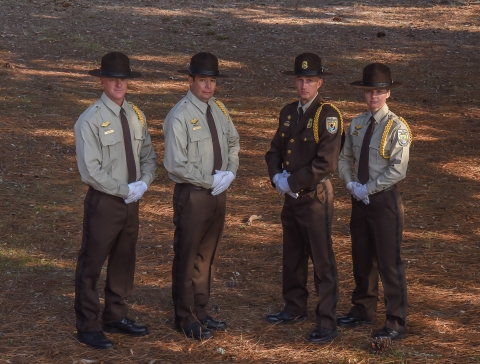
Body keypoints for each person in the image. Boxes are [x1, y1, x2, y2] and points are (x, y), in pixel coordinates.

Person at [73, 52, 157, 349]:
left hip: (132, 199)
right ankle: (88, 324)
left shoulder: (136, 114)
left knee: (124, 260)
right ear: (102, 81)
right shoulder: (90, 120)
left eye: (123, 79)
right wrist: (124, 189)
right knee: (92, 263)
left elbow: (148, 154)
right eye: (113, 79)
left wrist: (144, 183)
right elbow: (91, 171)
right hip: (106, 202)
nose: (119, 84)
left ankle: (116, 315)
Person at [265, 53, 344, 344]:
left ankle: (327, 320)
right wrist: (277, 178)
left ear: (319, 82)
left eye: (310, 80)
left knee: (322, 259)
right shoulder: (288, 112)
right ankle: (294, 307)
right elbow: (274, 150)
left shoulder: (328, 115)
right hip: (290, 195)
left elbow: (327, 163)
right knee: (293, 254)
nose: (304, 86)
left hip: (315, 197)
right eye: (300, 80)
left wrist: (292, 182)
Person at [162, 52, 240, 340]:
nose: (208, 86)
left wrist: (230, 171)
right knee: (186, 254)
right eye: (202, 80)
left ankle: (201, 309)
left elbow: (233, 140)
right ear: (191, 80)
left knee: (207, 254)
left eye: (212, 81)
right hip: (193, 194)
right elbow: (175, 164)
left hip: (218, 193)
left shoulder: (218, 108)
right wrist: (209, 180)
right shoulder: (180, 114)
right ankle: (183, 316)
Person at [337, 63, 411, 343]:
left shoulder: (397, 127)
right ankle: (363, 309)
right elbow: (344, 158)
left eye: (379, 92)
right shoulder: (356, 124)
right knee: (362, 258)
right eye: (369, 92)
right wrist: (350, 184)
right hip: (359, 198)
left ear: (388, 93)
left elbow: (398, 169)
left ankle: (395, 321)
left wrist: (368, 187)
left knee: (389, 262)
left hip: (384, 202)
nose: (373, 97)